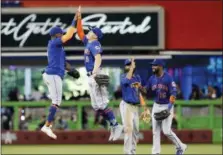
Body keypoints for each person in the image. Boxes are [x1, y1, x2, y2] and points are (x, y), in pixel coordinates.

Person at [76, 6, 123, 141]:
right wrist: (79, 18)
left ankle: (115, 125)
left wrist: (96, 73)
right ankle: (114, 124)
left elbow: (98, 58)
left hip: (97, 74)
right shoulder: (88, 42)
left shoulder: (95, 43)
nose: (88, 32)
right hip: (92, 74)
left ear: (95, 35)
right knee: (96, 105)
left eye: (91, 31)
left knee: (102, 103)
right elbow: (79, 32)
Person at [40, 10, 78, 139]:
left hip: (52, 74)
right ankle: (46, 126)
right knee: (56, 101)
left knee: (56, 101)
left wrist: (71, 70)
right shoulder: (55, 42)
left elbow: (63, 63)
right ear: (57, 35)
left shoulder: (57, 47)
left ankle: (47, 126)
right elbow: (69, 35)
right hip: (53, 74)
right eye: (61, 33)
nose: (62, 35)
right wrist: (75, 20)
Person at [140, 59, 187, 155]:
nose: (153, 67)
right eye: (152, 65)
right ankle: (156, 152)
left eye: (155, 65)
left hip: (167, 105)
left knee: (166, 131)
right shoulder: (152, 78)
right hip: (156, 105)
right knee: (155, 131)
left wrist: (169, 109)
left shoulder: (168, 78)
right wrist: (140, 87)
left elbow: (173, 93)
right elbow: (146, 90)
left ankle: (181, 147)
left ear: (161, 66)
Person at [119, 58, 149, 154]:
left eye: (130, 64)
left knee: (136, 130)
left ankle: (133, 151)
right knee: (128, 129)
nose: (129, 66)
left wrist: (145, 107)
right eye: (128, 65)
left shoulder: (137, 78)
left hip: (135, 107)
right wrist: (132, 67)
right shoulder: (123, 76)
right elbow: (127, 79)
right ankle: (127, 152)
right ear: (125, 67)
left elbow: (140, 93)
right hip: (126, 105)